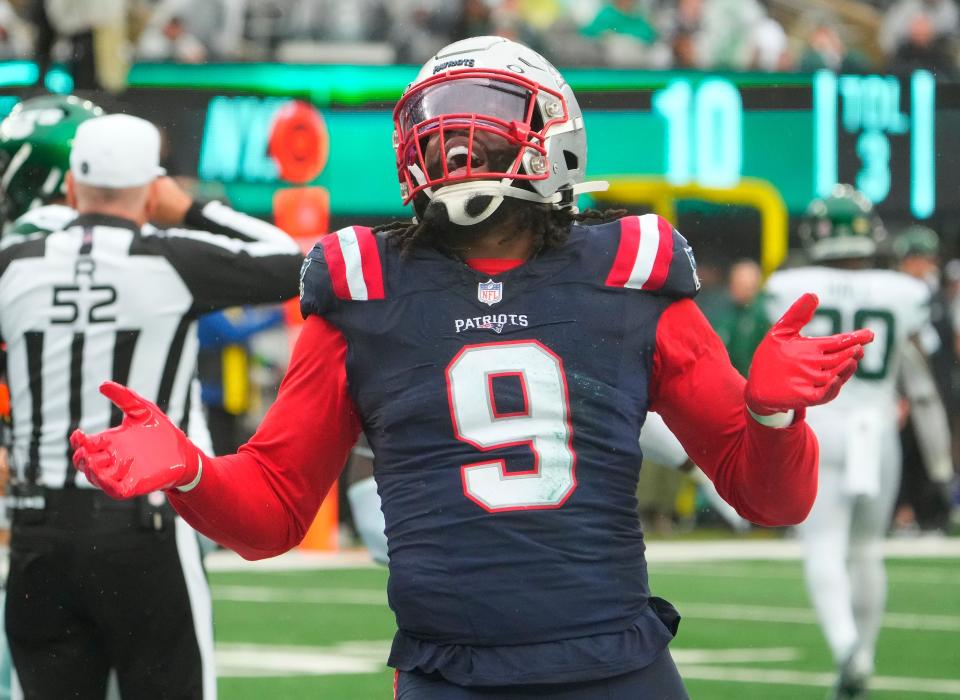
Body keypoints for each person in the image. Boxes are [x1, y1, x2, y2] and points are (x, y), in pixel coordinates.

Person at [72, 36, 872, 699]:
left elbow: (774, 500)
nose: (455, 136)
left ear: (555, 134)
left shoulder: (629, 269)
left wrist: (770, 415)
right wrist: (192, 475)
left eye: (487, 116)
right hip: (449, 671)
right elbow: (274, 511)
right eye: (436, 119)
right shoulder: (364, 285)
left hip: (614, 665)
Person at [0, 113, 303, 699]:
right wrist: (189, 208)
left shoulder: (14, 263)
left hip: (38, 531)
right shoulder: (172, 259)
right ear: (152, 187)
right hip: (145, 529)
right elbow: (290, 261)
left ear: (70, 187)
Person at [765, 185, 931, 700]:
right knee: (865, 549)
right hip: (877, 428)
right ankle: (867, 651)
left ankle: (844, 648)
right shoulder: (904, 290)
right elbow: (916, 365)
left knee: (823, 544)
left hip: (822, 423)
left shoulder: (789, 283)